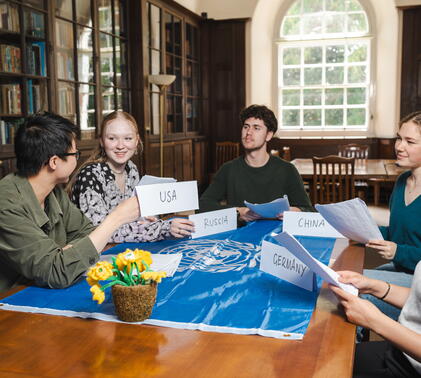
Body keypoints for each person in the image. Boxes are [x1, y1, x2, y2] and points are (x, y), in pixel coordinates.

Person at [0, 112, 142, 292]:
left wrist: (64, 257)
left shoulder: (53, 191)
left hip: (42, 293)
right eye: (75, 153)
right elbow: (57, 272)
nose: (78, 158)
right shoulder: (6, 204)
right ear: (54, 162)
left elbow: (86, 231)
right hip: (11, 305)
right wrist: (116, 219)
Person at [67, 111, 194, 242]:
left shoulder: (131, 169)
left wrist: (145, 220)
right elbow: (100, 231)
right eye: (112, 138)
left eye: (127, 138)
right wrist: (161, 229)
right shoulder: (90, 175)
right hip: (90, 255)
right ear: (101, 141)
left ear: (136, 140)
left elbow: (131, 218)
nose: (120, 146)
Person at [199, 104, 313, 221]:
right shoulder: (228, 169)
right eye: (246, 127)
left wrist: (294, 211)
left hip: (276, 236)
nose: (248, 132)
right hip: (239, 237)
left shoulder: (287, 170)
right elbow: (203, 205)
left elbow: (309, 210)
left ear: (268, 135)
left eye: (256, 128)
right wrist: (238, 212)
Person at [363, 111, 421, 320]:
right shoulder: (402, 181)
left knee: (354, 289)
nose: (399, 146)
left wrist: (398, 252)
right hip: (402, 269)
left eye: (410, 141)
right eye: (399, 138)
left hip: (418, 280)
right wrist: (362, 231)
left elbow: (401, 247)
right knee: (346, 277)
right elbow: (398, 233)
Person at [330, 267, 421, 377]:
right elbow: (417, 299)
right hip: (399, 351)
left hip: (410, 368)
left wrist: (375, 321)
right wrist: (374, 287)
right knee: (332, 357)